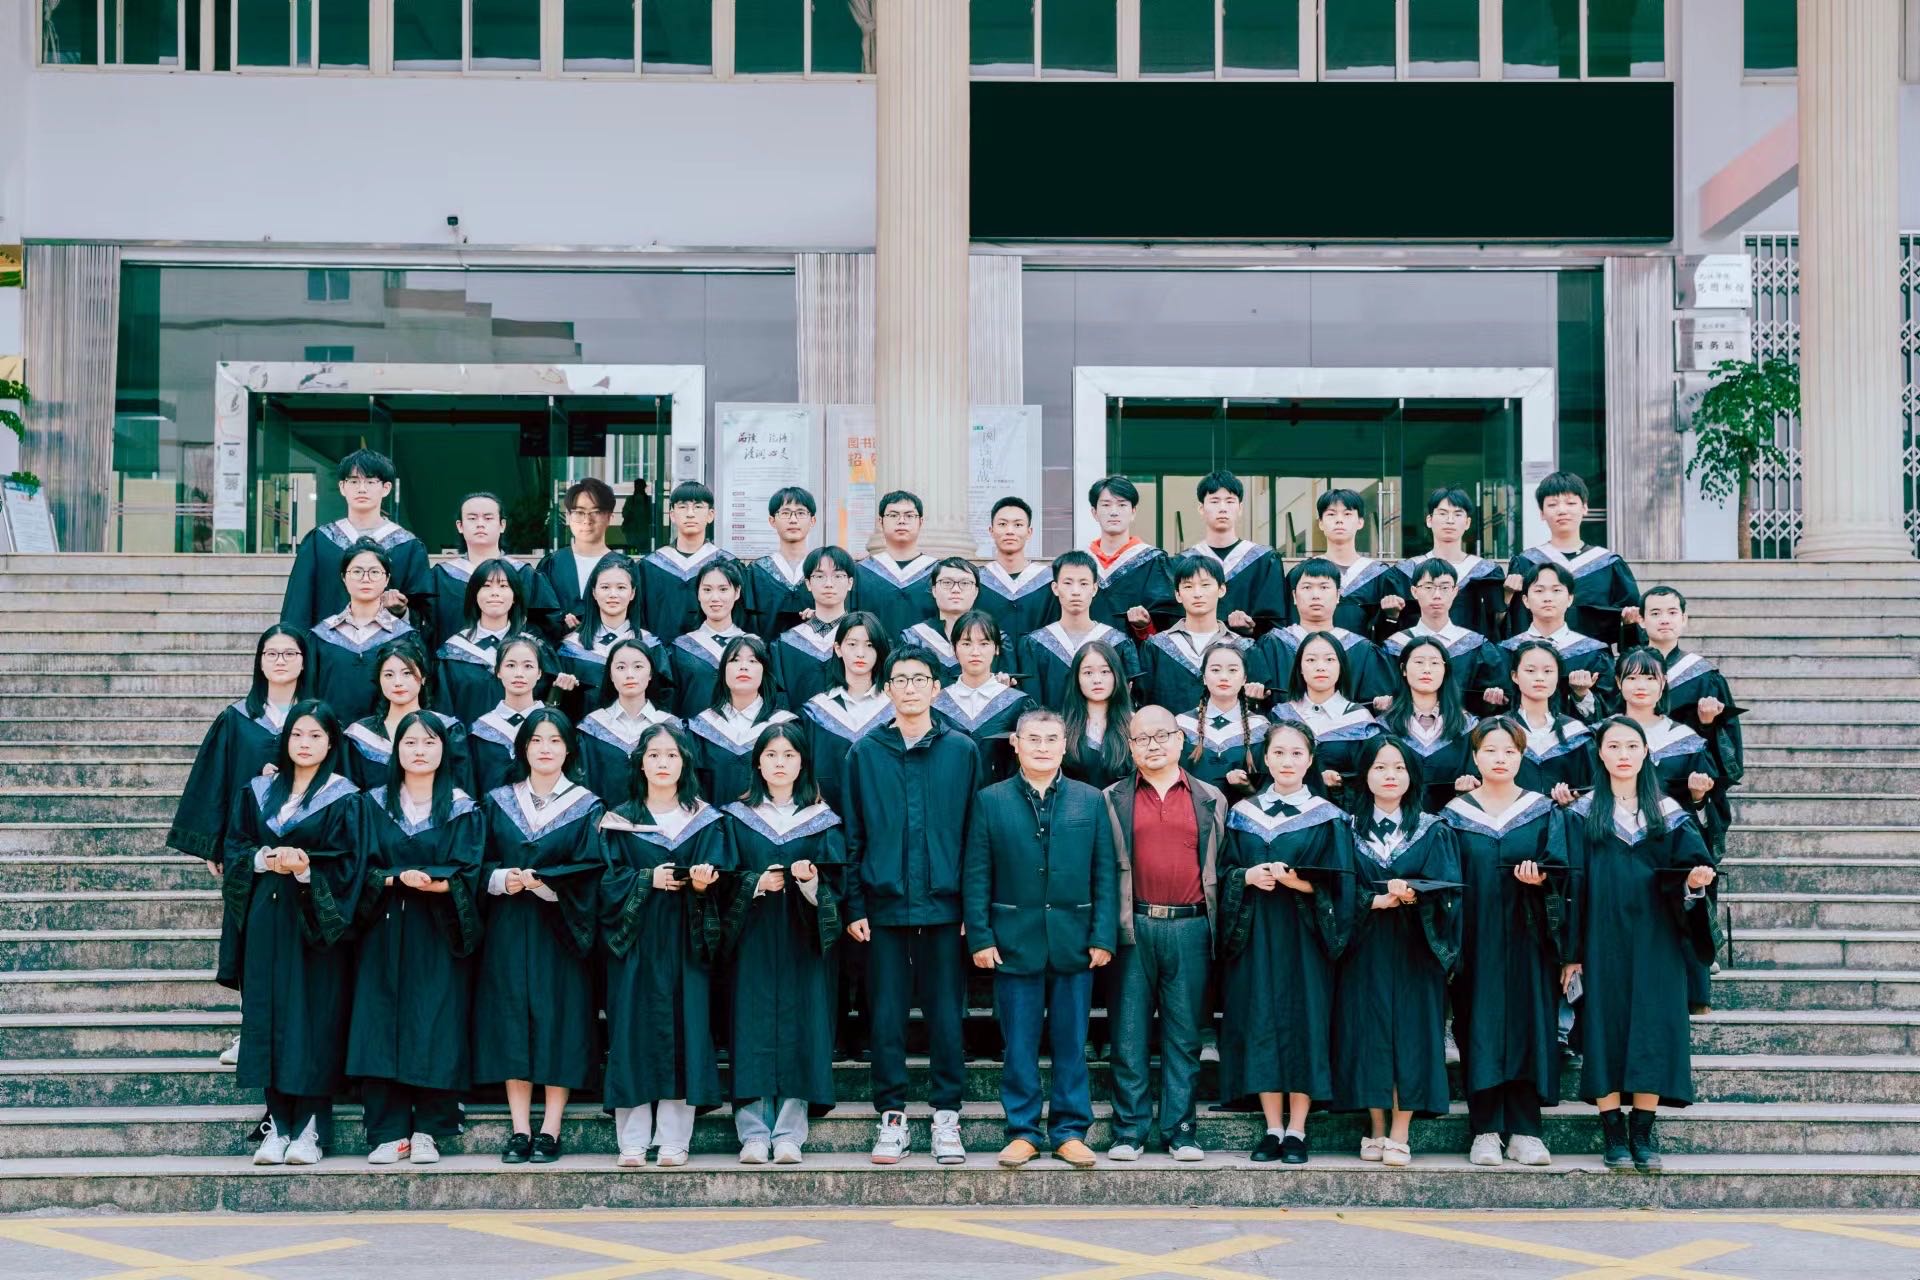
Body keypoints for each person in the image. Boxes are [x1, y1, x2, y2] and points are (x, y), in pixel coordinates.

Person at [843, 645, 983, 1165]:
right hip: (883, 909)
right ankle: (892, 1118)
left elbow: (976, 836)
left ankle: (947, 1117)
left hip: (945, 909)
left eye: (919, 679)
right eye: (899, 679)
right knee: (886, 1018)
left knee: (947, 1017)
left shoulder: (961, 750)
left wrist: (973, 908)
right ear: (887, 690)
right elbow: (853, 835)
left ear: (935, 688)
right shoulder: (865, 753)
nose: (909, 688)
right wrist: (855, 904)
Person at [1563, 717, 1718, 1174]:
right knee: (1604, 1027)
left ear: (1647, 752)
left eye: (1632, 745)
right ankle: (1612, 1131)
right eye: (1614, 746)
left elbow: (1693, 873)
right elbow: (1570, 887)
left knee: (1653, 1029)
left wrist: (1694, 883)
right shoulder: (1580, 814)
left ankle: (1643, 1131)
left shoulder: (1668, 813)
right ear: (1600, 753)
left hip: (1658, 939)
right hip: (1601, 938)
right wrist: (1571, 953)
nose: (1623, 754)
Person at [964, 708, 1117, 1170]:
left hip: (1075, 939)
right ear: (1016, 744)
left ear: (1065, 745)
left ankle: (1070, 1132)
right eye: (1033, 739)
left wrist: (1103, 934)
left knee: (1072, 1044)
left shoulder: (1089, 800)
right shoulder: (990, 800)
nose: (1043, 747)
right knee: (1019, 1044)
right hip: (1013, 939)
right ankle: (1023, 1131)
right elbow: (977, 873)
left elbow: (1104, 871)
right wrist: (980, 937)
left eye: (1052, 739)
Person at [220, 700, 366, 1166]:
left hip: (315, 923)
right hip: (266, 917)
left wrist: (305, 870)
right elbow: (235, 846)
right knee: (267, 1014)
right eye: (298, 734)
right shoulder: (258, 790)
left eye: (316, 736)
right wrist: (263, 859)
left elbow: (350, 866)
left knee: (314, 1018)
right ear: (285, 740)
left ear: (331, 743)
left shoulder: (345, 797)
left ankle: (310, 1128)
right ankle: (277, 1125)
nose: (305, 743)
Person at [347, 710, 486, 1166]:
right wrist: (392, 880)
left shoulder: (463, 808)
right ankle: (387, 1131)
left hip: (437, 930)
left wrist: (437, 884)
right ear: (396, 750)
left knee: (435, 1021)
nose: (419, 751)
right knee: (380, 1019)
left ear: (444, 750)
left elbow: (470, 871)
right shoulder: (371, 805)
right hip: (382, 928)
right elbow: (356, 868)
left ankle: (430, 1127)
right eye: (409, 743)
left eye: (429, 742)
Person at [473, 709, 607, 1165]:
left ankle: (550, 1127)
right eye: (536, 740)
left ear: (569, 749)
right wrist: (501, 879)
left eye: (554, 740)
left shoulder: (588, 806)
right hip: (508, 925)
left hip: (560, 928)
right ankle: (519, 1128)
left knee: (559, 1019)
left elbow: (592, 871)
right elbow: (477, 861)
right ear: (523, 748)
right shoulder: (497, 801)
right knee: (511, 1017)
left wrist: (550, 885)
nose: (545, 748)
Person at [1219, 720, 1356, 1164]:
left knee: (1305, 1021)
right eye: (1278, 752)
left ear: (1310, 759)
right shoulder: (1242, 813)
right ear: (1265, 758)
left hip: (1305, 937)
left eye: (1297, 753)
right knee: (1260, 1019)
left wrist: (1299, 884)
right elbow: (1223, 871)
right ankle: (1272, 1128)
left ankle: (1297, 1129)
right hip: (1256, 933)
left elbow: (1342, 884)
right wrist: (1246, 876)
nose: (1287, 761)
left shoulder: (1328, 816)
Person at [598, 721, 730, 1169]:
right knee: (632, 1032)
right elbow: (603, 882)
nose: (662, 763)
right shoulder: (619, 821)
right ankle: (633, 1139)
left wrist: (702, 884)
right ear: (640, 762)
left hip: (685, 941)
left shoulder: (705, 821)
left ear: (684, 762)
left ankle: (674, 1138)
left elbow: (725, 881)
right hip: (635, 942)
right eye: (653, 754)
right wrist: (646, 879)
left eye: (671, 755)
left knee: (685, 1030)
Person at [1441, 716, 1571, 1169]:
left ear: (1522, 756)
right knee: (1477, 1026)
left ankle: (1525, 1130)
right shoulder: (1453, 816)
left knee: (1528, 1026)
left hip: (1527, 938)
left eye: (1509, 751)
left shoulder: (1543, 811)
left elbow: (1564, 874)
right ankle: (1485, 1130)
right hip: (1474, 941)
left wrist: (1542, 882)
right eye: (1490, 751)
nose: (1500, 759)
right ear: (1475, 757)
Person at [1101, 705, 1225, 1163]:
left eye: (1161, 736)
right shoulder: (1112, 798)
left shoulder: (1210, 797)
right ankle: (1129, 1131)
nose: (1152, 745)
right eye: (1141, 739)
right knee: (1128, 1034)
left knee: (1184, 1037)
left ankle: (1181, 1131)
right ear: (1130, 747)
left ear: (1180, 739)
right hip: (1133, 926)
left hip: (1191, 926)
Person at [1333, 736, 1463, 1169]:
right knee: (1367, 1032)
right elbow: (1334, 889)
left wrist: (1414, 895)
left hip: (1415, 946)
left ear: (1411, 776)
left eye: (1399, 768)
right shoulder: (1344, 828)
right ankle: (1375, 1125)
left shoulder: (1433, 829)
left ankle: (1401, 1130)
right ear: (1365, 775)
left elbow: (1449, 891)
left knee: (1411, 1033)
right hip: (1364, 945)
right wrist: (1370, 901)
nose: (1390, 776)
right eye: (1380, 767)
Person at [722, 724, 846, 1165]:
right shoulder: (735, 819)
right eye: (771, 754)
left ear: (802, 763)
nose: (780, 763)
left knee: (801, 1027)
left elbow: (838, 884)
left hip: (801, 940)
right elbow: (721, 880)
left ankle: (791, 1132)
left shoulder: (822, 819)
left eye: (789, 755)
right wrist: (755, 883)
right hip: (752, 940)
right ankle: (754, 1133)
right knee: (751, 1027)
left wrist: (811, 882)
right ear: (758, 762)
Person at [1616, 646, 1724, 1012]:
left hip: (1669, 846)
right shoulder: (1601, 736)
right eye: (1632, 677)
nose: (1640, 685)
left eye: (1650, 677)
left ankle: (1688, 993)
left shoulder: (1686, 739)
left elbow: (1711, 808)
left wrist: (1698, 797)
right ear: (1618, 683)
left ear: (1663, 684)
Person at [280, 448, 430, 632]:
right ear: (342, 487)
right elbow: (298, 604)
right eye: (354, 481)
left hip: (389, 646)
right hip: (327, 644)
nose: (362, 488)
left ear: (386, 488)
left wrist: (402, 611)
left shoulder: (408, 546)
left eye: (370, 481)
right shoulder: (320, 542)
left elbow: (423, 614)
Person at [1504, 470, 1642, 646]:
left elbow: (1632, 620)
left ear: (1584, 508)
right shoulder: (1526, 562)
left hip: (1592, 658)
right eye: (1552, 504)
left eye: (1570, 503)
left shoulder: (1608, 563)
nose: (1562, 510)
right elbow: (1514, 622)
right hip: (1537, 657)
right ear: (1542, 513)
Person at [1641, 585, 1746, 813]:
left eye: (1672, 612)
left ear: (1684, 619)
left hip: (1683, 778)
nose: (1664, 619)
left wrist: (1707, 724)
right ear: (1641, 620)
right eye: (1655, 613)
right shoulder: (1625, 671)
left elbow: (1727, 743)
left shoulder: (1703, 675)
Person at [1256, 558, 1397, 709]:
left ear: (1338, 595)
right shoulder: (1272, 645)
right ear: (1294, 597)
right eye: (1307, 587)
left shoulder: (1361, 650)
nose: (1316, 595)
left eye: (1324, 587)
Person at [426, 491, 561, 648]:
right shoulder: (440, 577)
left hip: (514, 661)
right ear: (460, 526)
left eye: (488, 518)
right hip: (455, 662)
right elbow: (426, 628)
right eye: (472, 518)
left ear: (502, 525)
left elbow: (548, 628)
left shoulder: (525, 575)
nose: (480, 524)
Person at [342, 636, 474, 794]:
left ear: (423, 678)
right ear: (379, 680)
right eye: (389, 675)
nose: (398, 682)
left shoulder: (448, 730)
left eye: (407, 673)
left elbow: (460, 790)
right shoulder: (359, 736)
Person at [1141, 554, 1270, 714]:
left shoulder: (1244, 647)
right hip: (1170, 729)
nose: (1197, 593)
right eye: (1188, 586)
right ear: (1178, 595)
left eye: (1205, 585)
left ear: (1221, 590)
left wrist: (1255, 698)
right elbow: (1143, 700)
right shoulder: (1157, 647)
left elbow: (1263, 699)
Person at [306, 540, 418, 723]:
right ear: (344, 577)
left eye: (374, 572)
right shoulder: (322, 635)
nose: (365, 579)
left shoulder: (404, 635)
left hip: (387, 735)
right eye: (357, 571)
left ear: (387, 579)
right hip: (331, 734)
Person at [1017, 549, 1144, 710]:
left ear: (1094, 588)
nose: (1075, 591)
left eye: (1084, 583)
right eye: (1068, 583)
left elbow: (1128, 703)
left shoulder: (1117, 642)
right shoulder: (1035, 645)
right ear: (1055, 588)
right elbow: (1031, 706)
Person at [553, 554, 674, 720]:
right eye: (605, 587)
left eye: (621, 587)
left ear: (632, 593)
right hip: (585, 734)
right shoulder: (571, 648)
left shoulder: (650, 645)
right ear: (594, 592)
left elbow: (663, 701)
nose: (613, 594)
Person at [1384, 558, 1511, 716]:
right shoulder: (1395, 645)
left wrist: (1492, 702)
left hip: (1463, 728)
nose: (1437, 595)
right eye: (1428, 587)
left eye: (1444, 587)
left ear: (1455, 591)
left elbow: (1495, 704)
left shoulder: (1475, 645)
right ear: (1414, 591)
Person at [800, 613, 895, 815]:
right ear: (838, 649)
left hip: (884, 817)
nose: (860, 653)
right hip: (828, 817)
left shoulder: (894, 708)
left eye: (870, 645)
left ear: (879, 650)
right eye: (852, 644)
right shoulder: (816, 711)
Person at [1284, 488, 1407, 642]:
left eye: (1347, 514)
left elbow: (1389, 634)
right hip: (1311, 653)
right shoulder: (1302, 575)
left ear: (1360, 522)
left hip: (1362, 655)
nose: (1339, 520)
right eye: (1331, 514)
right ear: (1320, 523)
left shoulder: (1379, 574)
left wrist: (1391, 616)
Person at [1374, 636, 1481, 815]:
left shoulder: (1468, 727)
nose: (1426, 669)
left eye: (1435, 663)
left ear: (1445, 670)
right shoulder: (1384, 726)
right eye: (1418, 662)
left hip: (1453, 822)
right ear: (1403, 669)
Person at [687, 634, 797, 806]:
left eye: (753, 661)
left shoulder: (785, 724)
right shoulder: (700, 728)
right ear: (723, 671)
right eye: (735, 660)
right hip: (713, 821)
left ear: (764, 671)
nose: (743, 667)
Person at [1500, 562, 1618, 721]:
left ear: (1570, 599)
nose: (1548, 598)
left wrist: (1582, 695)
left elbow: (1608, 711)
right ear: (1525, 600)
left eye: (1556, 590)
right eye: (1539, 590)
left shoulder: (1593, 653)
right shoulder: (1506, 651)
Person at [1271, 632, 1382, 798]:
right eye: (1311, 660)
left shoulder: (1361, 721)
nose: (1320, 667)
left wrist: (1341, 781)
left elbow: (1370, 776)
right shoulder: (1281, 716)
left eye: (1329, 659)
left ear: (1341, 666)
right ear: (1300, 668)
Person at [576, 638, 682, 811]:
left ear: (650, 674)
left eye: (638, 666)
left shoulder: (671, 726)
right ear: (610, 675)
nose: (629, 674)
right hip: (604, 822)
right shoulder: (592, 727)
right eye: (621, 667)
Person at [931, 610, 1032, 781]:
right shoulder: (936, 703)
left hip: (1000, 795)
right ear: (954, 649)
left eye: (984, 643)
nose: (975, 652)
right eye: (966, 643)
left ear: (996, 648)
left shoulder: (1017, 703)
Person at [1185, 471, 1289, 636]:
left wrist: (1251, 629)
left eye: (1230, 501)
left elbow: (1275, 623)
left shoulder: (1264, 560)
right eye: (1214, 501)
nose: (1222, 508)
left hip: (1249, 649)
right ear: (1201, 508)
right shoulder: (1183, 562)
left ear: (1240, 508)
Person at [1397, 487, 1507, 640]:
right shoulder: (1405, 571)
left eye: (1457, 514)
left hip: (1470, 653)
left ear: (1467, 522)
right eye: (1442, 513)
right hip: (1420, 651)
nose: (1450, 520)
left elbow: (1496, 625)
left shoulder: (1487, 572)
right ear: (1429, 520)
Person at [640, 481, 741, 641]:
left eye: (698, 507)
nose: (690, 514)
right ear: (672, 515)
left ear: (710, 515)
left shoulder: (728, 564)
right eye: (682, 507)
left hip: (714, 653)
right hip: (659, 652)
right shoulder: (650, 566)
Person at [435, 557, 530, 725]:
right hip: (466, 740)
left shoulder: (533, 649)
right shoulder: (453, 652)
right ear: (475, 595)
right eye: (486, 586)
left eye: (503, 586)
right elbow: (444, 712)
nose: (495, 592)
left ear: (515, 595)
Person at [1085, 474, 1178, 638]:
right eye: (1106, 505)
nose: (1114, 512)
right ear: (1094, 512)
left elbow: (1167, 624)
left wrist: (1145, 625)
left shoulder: (1153, 562)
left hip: (1135, 652)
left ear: (1133, 512)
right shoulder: (1081, 563)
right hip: (1086, 651)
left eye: (1122, 505)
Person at [1177, 642, 1270, 803]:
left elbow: (1267, 789)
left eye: (1233, 670)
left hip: (1242, 813)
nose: (1224, 677)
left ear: (1244, 679)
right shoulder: (1181, 725)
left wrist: (1246, 787)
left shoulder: (1260, 728)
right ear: (1204, 677)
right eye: (1215, 670)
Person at [466, 632, 552, 796]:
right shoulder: (480, 730)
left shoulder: (555, 727)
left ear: (539, 673)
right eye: (511, 665)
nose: (519, 673)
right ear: (498, 671)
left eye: (528, 666)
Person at [771, 545, 856, 710]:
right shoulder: (785, 644)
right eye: (819, 576)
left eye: (838, 576)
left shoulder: (866, 639)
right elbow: (779, 699)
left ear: (850, 583)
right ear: (808, 583)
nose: (829, 584)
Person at [1509, 639, 1593, 805]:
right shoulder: (1499, 730)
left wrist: (1573, 804)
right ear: (1515, 676)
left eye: (1548, 671)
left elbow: (1591, 790)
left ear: (1557, 676)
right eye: (1530, 670)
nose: (1540, 678)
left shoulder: (1575, 733)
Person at [532, 477, 619, 637]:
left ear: (609, 517)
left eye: (596, 512)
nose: (587, 520)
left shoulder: (623, 567)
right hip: (556, 648)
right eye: (579, 512)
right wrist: (562, 626)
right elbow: (538, 617)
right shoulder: (552, 563)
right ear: (569, 516)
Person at [667, 559, 751, 719]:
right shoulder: (680, 648)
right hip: (692, 732)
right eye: (707, 590)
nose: (715, 597)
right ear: (698, 594)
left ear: (737, 592)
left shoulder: (753, 645)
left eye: (723, 589)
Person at [853, 489, 939, 638]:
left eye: (909, 515)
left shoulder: (937, 572)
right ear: (880, 521)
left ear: (921, 522)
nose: (901, 521)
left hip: (925, 652)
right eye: (893, 515)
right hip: (874, 651)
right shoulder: (860, 572)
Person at [977, 496, 1057, 650]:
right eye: (1002, 524)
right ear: (991, 531)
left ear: (1029, 532)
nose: (1010, 531)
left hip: (1038, 661)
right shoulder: (977, 581)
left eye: (1018, 525)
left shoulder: (1048, 581)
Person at [747, 486, 820, 641]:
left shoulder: (823, 570)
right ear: (772, 521)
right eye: (785, 513)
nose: (793, 520)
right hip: (765, 653)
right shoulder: (756, 572)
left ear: (812, 520)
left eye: (801, 513)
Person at [1061, 642, 1136, 792]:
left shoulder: (1135, 723)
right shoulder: (1062, 726)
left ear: (1116, 675)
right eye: (1088, 673)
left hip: (1123, 804)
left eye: (1105, 671)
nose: (1097, 680)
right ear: (1076, 678)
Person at [902, 557, 986, 683]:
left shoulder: (996, 640)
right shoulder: (913, 638)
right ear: (934, 590)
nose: (956, 589)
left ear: (976, 592)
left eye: (965, 583)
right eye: (947, 582)